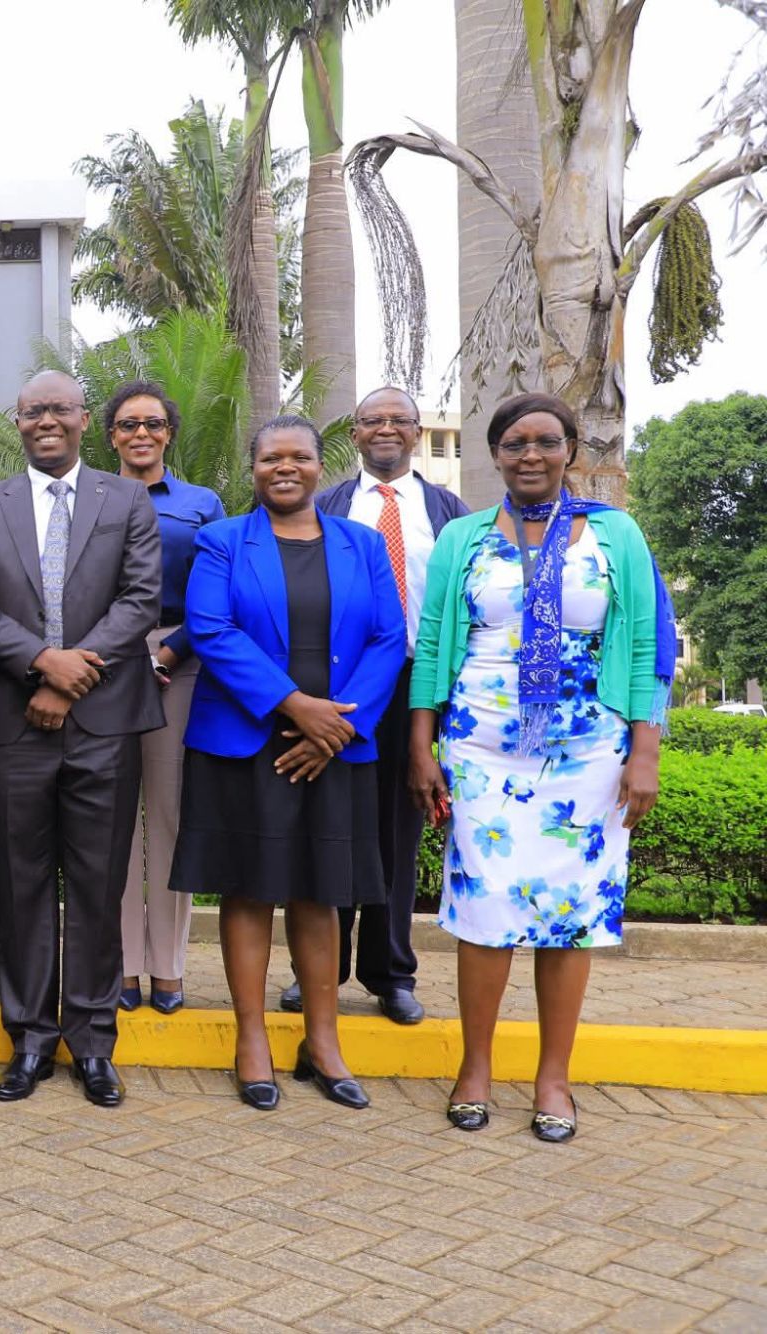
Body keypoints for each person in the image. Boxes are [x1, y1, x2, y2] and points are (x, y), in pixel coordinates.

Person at [408, 392, 663, 1143]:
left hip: (587, 751)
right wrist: (421, 746)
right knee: (484, 909)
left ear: (570, 450)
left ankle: (554, 1077)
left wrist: (645, 751)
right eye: (514, 443)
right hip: (481, 748)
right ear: (494, 454)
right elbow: (433, 641)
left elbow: (647, 643)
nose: (530, 455)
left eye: (546, 441)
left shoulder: (614, 534)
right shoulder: (462, 536)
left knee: (569, 916)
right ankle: (476, 1068)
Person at [170, 416, 406, 1112]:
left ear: (317, 466)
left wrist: (335, 726)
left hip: (337, 743)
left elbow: (389, 637)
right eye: (271, 457)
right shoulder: (222, 541)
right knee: (248, 891)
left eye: (298, 456)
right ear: (254, 468)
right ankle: (251, 1040)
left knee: (321, 892)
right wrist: (296, 707)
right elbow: (210, 628)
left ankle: (322, 1043)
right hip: (246, 741)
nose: (285, 467)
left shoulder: (362, 544)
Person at [0, 370, 163, 1107]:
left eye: (59, 409)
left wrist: (72, 675)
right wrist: (43, 662)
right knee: (17, 887)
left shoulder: (126, 499)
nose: (46, 420)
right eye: (33, 410)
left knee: (99, 886)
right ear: (18, 421)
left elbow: (141, 598)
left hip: (104, 723)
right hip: (8, 724)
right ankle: (31, 1037)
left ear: (82, 419)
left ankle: (94, 1042)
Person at [281, 387, 469, 1025]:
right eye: (371, 420)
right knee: (328, 822)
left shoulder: (448, 513)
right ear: (354, 434)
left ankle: (391, 972)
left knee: (397, 830)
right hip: (336, 685)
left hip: (415, 685)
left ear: (416, 432)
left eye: (398, 420)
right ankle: (319, 970)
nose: (385, 428)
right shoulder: (327, 505)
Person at [107, 380, 226, 1015]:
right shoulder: (92, 496)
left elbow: (217, 591)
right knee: (115, 820)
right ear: (112, 436)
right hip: (106, 663)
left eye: (153, 423)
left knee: (170, 814)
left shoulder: (201, 504)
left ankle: (168, 966)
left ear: (169, 434)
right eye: (129, 424)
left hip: (179, 661)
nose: (141, 434)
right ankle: (124, 962)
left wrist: (170, 652)